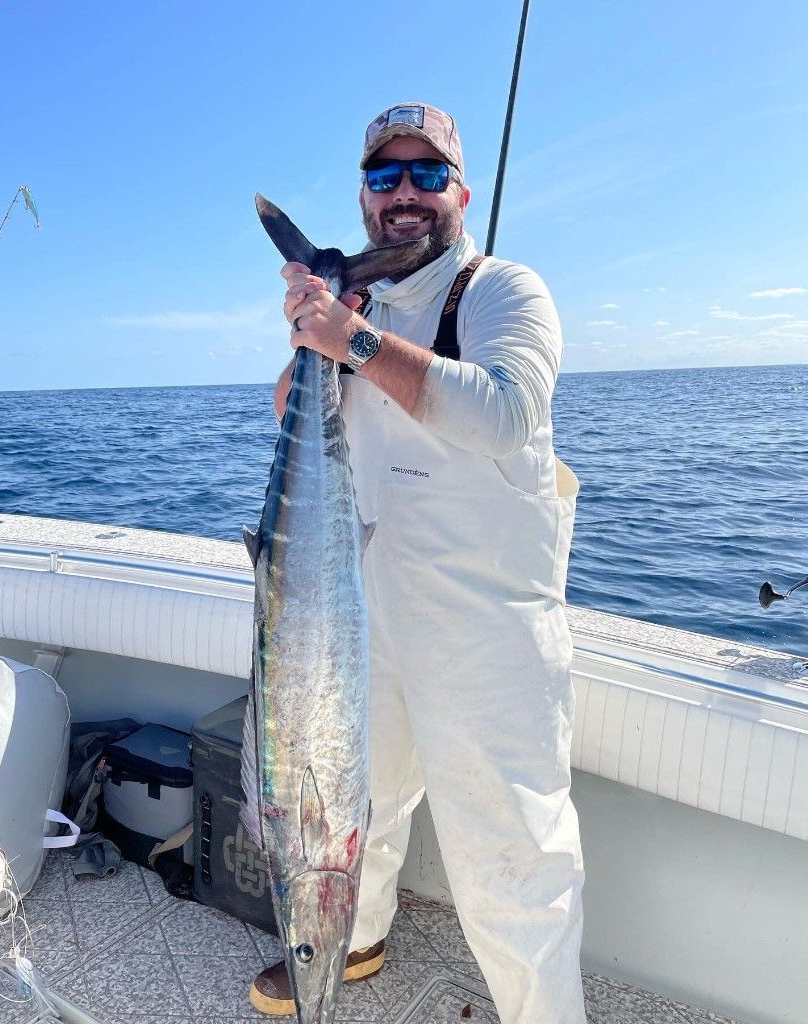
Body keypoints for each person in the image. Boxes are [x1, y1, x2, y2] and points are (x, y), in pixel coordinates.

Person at [249, 102, 587, 1024]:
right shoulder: (359, 307)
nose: (405, 192)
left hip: (487, 630)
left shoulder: (503, 291)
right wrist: (316, 329)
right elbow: (286, 410)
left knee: (513, 855)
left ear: (459, 195)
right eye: (385, 175)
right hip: (360, 613)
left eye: (427, 174)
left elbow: (504, 414)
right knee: (362, 799)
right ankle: (350, 939)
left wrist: (350, 340)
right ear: (364, 195)